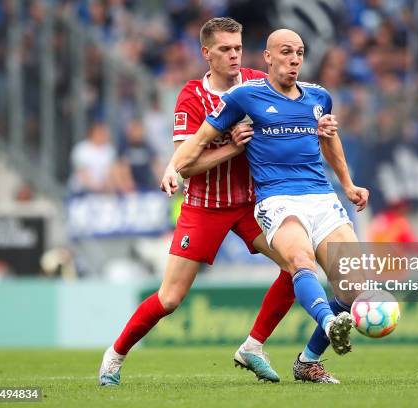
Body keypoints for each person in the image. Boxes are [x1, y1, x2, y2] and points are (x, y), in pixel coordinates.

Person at [99, 18, 335, 386]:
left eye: (238, 47)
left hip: (253, 204)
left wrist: (315, 127)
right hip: (204, 206)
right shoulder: (191, 97)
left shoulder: (260, 82)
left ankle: (253, 346)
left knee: (297, 266)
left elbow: (297, 112)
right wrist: (230, 147)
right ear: (206, 53)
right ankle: (114, 355)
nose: (234, 55)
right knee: (170, 298)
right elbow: (187, 163)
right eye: (225, 49)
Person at [163, 29, 370, 383]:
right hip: (277, 199)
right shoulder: (245, 97)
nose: (294, 59)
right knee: (300, 261)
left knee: (356, 288)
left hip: (321, 197)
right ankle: (328, 321)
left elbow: (329, 140)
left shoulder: (319, 98)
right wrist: (172, 168)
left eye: (300, 53)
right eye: (286, 52)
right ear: (268, 57)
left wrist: (348, 184)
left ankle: (307, 362)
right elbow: (198, 141)